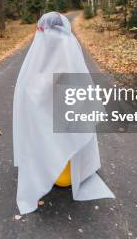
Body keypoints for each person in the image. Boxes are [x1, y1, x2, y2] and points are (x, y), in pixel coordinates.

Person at [13, 11, 114, 214]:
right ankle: (65, 168)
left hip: (57, 103)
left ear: (42, 27)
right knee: (63, 133)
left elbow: (36, 80)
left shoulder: (42, 42)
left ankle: (52, 167)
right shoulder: (67, 42)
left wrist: (36, 96)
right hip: (64, 106)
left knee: (47, 131)